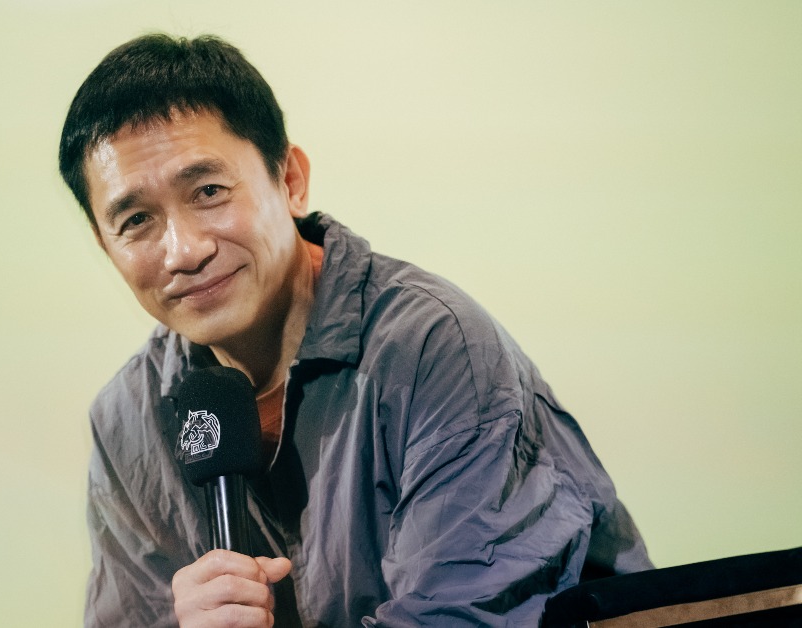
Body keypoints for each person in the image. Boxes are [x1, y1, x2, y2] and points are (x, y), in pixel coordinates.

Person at [58, 33, 653, 627]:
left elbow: (461, 617)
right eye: (136, 220)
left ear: (290, 181)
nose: (184, 251)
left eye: (209, 191)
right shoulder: (127, 417)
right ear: (105, 245)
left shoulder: (436, 349)